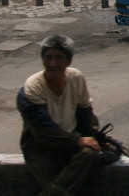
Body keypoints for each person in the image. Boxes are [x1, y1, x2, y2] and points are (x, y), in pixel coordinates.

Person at [17, 35, 103, 195]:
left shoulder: (75, 78)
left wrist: (93, 138)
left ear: (69, 61)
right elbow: (42, 131)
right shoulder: (32, 88)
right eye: (48, 58)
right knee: (60, 188)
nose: (53, 64)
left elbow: (85, 114)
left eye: (59, 58)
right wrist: (77, 140)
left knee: (90, 155)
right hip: (41, 150)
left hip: (69, 144)